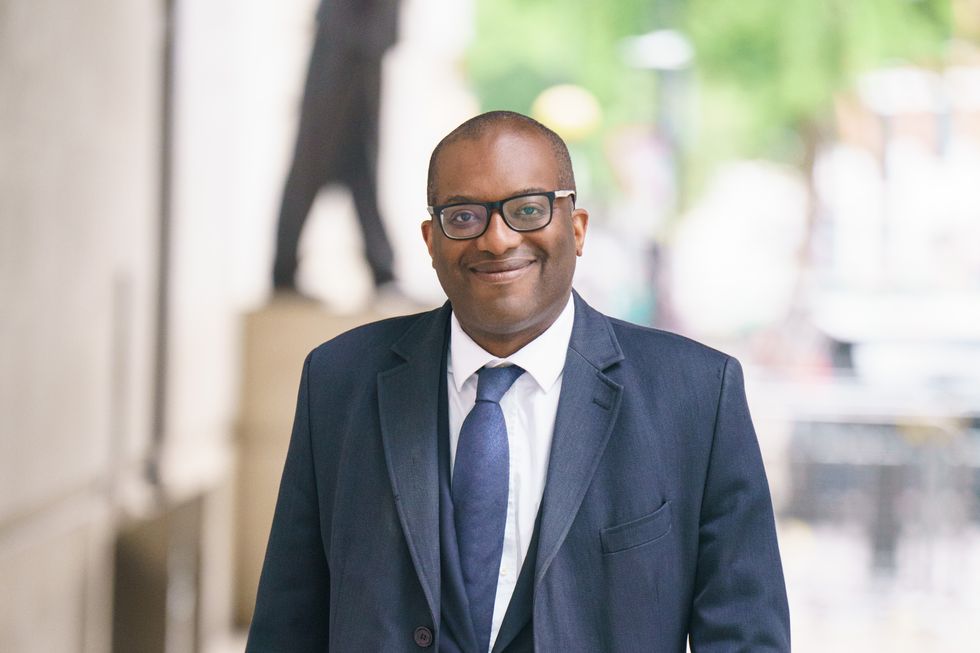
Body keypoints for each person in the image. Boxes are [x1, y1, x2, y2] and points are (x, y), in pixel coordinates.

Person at [247, 110, 790, 651]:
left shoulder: (697, 395)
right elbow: (286, 626)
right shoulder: (338, 381)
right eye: (464, 217)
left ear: (576, 228)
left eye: (528, 210)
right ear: (431, 241)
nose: (498, 239)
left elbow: (745, 639)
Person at [271, 0, 401, 296]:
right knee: (312, 158)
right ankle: (283, 270)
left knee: (361, 162)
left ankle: (382, 270)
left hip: (366, 40)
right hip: (345, 39)